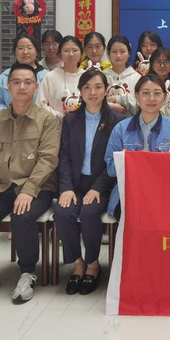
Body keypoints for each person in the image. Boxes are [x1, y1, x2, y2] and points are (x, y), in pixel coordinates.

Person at [0, 63, 59, 303]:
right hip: (1, 187)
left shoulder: (47, 120)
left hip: (37, 187)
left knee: (22, 216)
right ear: (8, 86)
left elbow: (47, 160)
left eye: (28, 82)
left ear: (36, 86)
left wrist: (29, 190)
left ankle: (27, 273)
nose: (22, 87)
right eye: (17, 82)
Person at [54, 69, 122, 295]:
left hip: (103, 185)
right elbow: (64, 156)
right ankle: (77, 263)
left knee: (90, 212)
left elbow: (114, 161)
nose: (93, 92)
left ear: (106, 90)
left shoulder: (117, 121)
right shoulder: (71, 120)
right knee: (62, 212)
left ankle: (93, 264)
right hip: (75, 184)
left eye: (98, 87)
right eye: (87, 88)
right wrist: (65, 188)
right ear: (80, 92)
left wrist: (97, 188)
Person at [104, 74, 170, 219]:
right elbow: (110, 168)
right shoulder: (121, 128)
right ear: (137, 96)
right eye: (146, 93)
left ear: (164, 97)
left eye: (157, 93)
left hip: (164, 193)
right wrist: (123, 161)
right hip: (128, 193)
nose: (151, 98)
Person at [0, 34, 47, 113]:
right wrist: (9, 114)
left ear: (36, 51)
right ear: (15, 52)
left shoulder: (47, 76)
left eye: (29, 48)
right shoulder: (5, 76)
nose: (25, 52)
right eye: (20, 48)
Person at [37, 36, 85, 119]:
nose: (71, 54)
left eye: (75, 50)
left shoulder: (86, 76)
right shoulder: (50, 77)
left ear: (81, 53)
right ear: (59, 54)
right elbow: (40, 105)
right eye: (66, 51)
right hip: (56, 124)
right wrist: (60, 115)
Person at [103, 34, 141, 116]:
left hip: (130, 122)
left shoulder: (136, 78)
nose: (118, 55)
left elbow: (140, 104)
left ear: (129, 54)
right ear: (108, 54)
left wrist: (117, 99)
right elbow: (94, 102)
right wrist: (111, 106)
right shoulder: (102, 77)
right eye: (114, 52)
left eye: (122, 51)